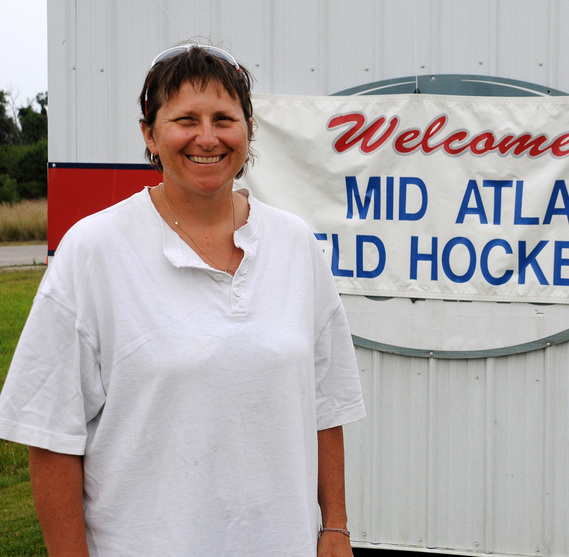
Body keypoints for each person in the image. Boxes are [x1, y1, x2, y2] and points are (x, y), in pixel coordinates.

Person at [0, 43, 365, 556]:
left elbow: (327, 404)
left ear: (249, 130)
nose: (207, 137)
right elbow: (51, 433)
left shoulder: (294, 244)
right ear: (149, 133)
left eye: (224, 118)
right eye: (185, 119)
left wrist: (335, 529)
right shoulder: (94, 249)